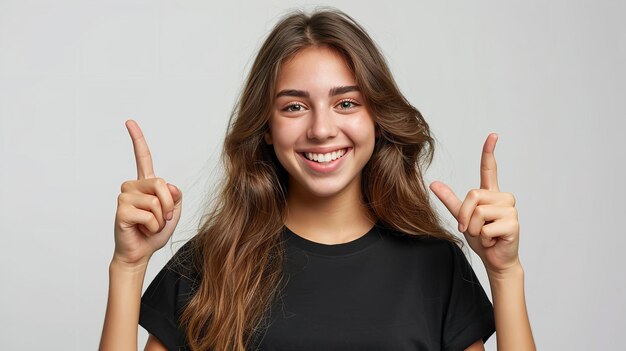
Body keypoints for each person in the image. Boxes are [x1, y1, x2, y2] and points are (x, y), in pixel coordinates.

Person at [99, 8, 535, 351]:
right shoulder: (210, 264)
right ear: (266, 127)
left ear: (377, 118)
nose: (322, 129)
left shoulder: (436, 267)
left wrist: (505, 273)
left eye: (346, 103)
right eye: (294, 107)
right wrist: (129, 266)